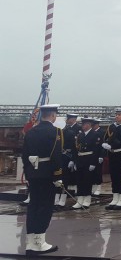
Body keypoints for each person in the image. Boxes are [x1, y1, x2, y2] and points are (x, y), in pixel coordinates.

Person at [22, 104, 63, 255]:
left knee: (33, 206)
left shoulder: (31, 132)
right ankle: (40, 242)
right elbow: (56, 156)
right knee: (45, 207)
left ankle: (30, 242)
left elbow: (24, 155)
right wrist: (58, 176)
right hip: (47, 175)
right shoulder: (55, 132)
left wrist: (28, 173)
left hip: (33, 174)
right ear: (53, 115)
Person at [101, 108, 121, 210]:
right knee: (114, 177)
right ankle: (115, 198)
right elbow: (106, 138)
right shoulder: (111, 126)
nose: (117, 116)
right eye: (116, 115)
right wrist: (105, 144)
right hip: (112, 154)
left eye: (119, 114)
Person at [73, 118, 102, 209]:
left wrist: (93, 163)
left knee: (87, 180)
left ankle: (87, 200)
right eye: (82, 124)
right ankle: (80, 200)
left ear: (89, 125)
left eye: (84, 124)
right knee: (79, 180)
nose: (83, 126)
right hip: (80, 159)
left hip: (89, 159)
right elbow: (76, 149)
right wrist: (75, 162)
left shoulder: (95, 134)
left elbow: (96, 150)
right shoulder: (80, 135)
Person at [56, 112, 79, 209]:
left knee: (65, 179)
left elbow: (74, 148)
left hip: (66, 157)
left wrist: (73, 160)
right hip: (57, 157)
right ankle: (56, 199)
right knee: (57, 178)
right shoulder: (56, 132)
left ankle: (63, 199)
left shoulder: (71, 133)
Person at [91, 120, 104, 196]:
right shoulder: (92, 132)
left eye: (93, 125)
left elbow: (103, 145)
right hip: (93, 154)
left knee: (98, 172)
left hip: (99, 154)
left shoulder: (102, 132)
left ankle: (98, 188)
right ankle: (93, 188)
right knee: (92, 172)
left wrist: (102, 156)